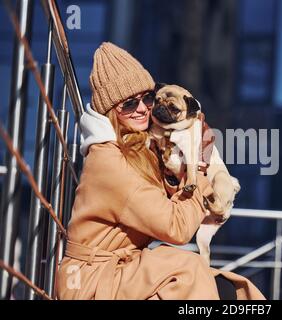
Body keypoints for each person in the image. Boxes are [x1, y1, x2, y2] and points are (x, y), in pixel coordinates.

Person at [56, 42, 265, 300]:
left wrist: (192, 147)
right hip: (89, 281)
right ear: (110, 111)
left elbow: (173, 197)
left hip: (123, 270)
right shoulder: (109, 162)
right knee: (190, 269)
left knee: (215, 282)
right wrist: (197, 168)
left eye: (147, 97)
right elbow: (176, 227)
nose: (143, 108)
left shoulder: (140, 146)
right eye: (129, 104)